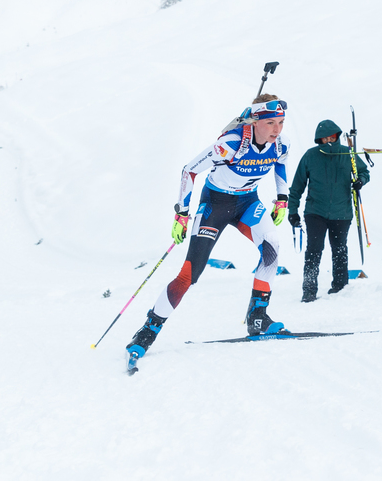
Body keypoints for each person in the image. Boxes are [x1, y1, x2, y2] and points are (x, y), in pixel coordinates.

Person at [126, 94, 291, 365]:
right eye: (271, 122)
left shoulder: (280, 145)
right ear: (255, 121)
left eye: (281, 123)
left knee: (272, 247)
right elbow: (189, 171)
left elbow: (281, 167)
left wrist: (282, 198)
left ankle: (258, 316)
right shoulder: (231, 144)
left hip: (248, 202)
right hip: (215, 205)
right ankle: (148, 331)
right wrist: (182, 213)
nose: (277, 129)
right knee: (190, 273)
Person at [287, 119, 369, 301]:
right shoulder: (311, 156)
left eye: (332, 137)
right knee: (314, 250)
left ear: (337, 136)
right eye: (324, 139)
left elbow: (364, 172)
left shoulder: (349, 154)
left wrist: (360, 181)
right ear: (319, 140)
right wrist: (292, 210)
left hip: (342, 212)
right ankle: (309, 291)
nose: (329, 141)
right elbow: (297, 185)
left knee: (339, 249)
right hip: (315, 211)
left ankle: (340, 287)